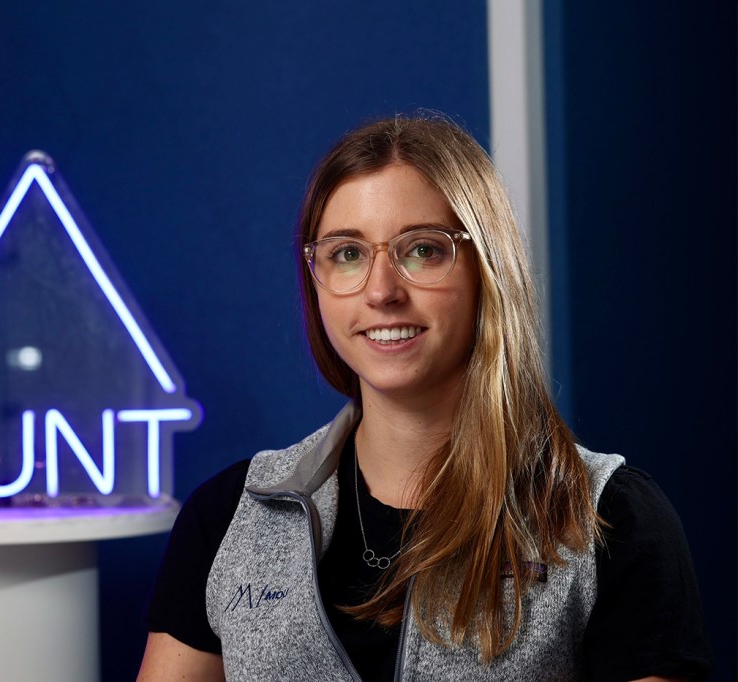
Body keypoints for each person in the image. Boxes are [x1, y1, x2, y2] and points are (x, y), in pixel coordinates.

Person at [137, 115, 712, 681]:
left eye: (423, 251)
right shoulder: (230, 518)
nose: (382, 291)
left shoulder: (608, 519)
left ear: (488, 270)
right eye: (347, 254)